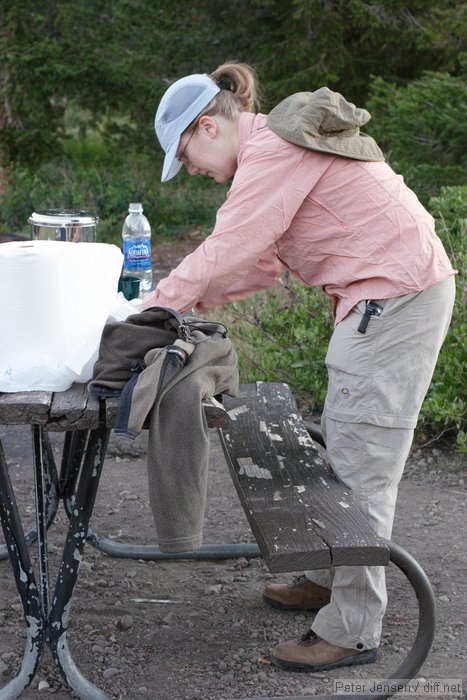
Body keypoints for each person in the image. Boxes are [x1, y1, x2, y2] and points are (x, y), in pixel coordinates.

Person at [143, 62, 456, 672]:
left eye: (187, 157)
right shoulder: (276, 148)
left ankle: (352, 629)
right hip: (381, 298)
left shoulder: (276, 149)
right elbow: (260, 263)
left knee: (363, 468)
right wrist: (193, 298)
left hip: (393, 298)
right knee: (342, 447)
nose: (194, 173)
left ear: (208, 126)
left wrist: (156, 304)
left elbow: (230, 246)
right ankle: (323, 577)